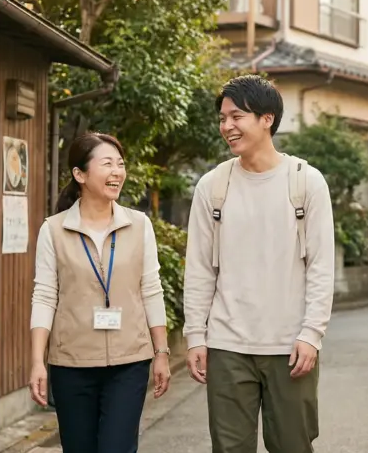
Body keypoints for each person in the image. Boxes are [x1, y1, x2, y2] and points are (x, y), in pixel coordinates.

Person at [183, 75, 335, 453]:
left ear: (267, 119)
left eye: (237, 117)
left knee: (292, 445)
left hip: (290, 345)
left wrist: (311, 334)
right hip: (227, 344)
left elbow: (321, 266)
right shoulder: (212, 186)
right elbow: (199, 268)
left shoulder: (306, 182)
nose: (227, 127)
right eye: (222, 119)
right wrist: (195, 336)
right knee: (229, 448)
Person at [28, 132, 171, 453]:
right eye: (107, 164)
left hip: (129, 362)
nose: (117, 172)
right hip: (71, 364)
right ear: (80, 174)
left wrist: (161, 352)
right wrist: (38, 361)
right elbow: (45, 296)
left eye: (120, 164)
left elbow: (151, 290)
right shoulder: (54, 230)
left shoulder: (139, 225)